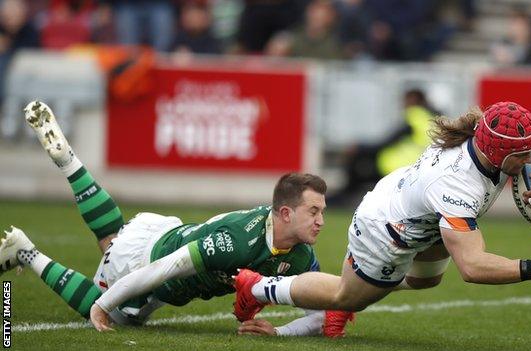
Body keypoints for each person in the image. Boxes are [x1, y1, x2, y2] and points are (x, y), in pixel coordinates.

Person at [232, 101, 531, 333]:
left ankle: (368, 283)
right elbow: (473, 267)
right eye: (522, 157)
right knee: (347, 297)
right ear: (497, 153)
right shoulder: (457, 185)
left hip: (418, 210)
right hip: (385, 228)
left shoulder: (495, 135)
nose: (529, 161)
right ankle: (258, 286)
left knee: (425, 280)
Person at [0, 101, 345, 337]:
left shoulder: (299, 253)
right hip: (150, 256)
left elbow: (320, 312)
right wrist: (104, 305)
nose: (321, 221)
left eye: (323, 212)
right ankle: (26, 251)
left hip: (169, 231)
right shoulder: (237, 240)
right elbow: (165, 268)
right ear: (285, 213)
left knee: (110, 241)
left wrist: (280, 331)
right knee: (111, 309)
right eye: (314, 211)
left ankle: (69, 164)